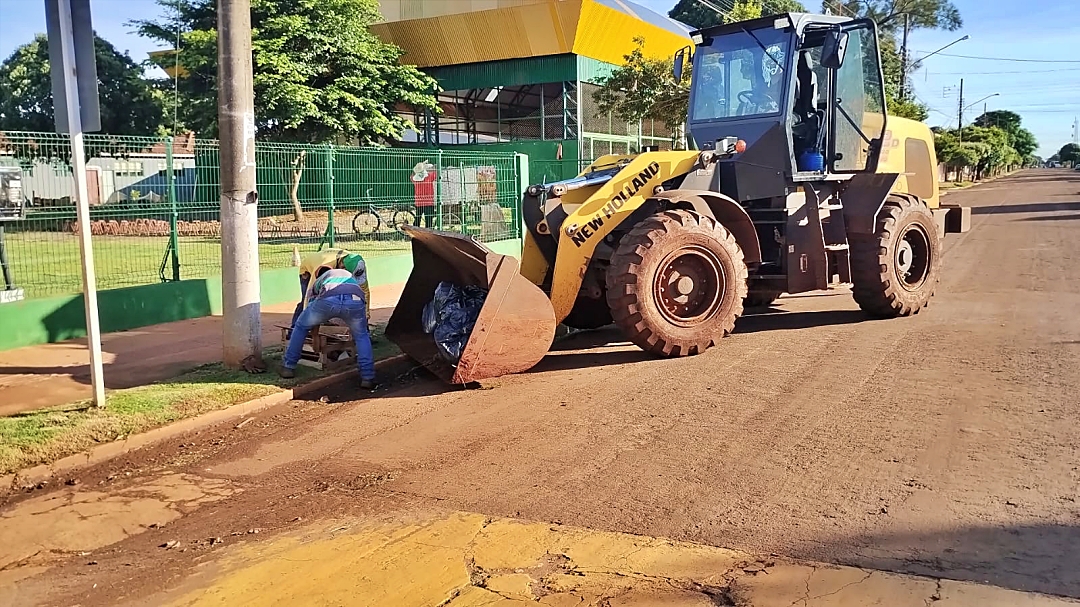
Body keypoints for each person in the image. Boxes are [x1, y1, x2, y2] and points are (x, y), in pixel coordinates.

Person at [280, 265, 377, 389]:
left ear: (318, 275)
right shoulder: (349, 276)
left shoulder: (320, 280)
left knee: (300, 326)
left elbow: (311, 303)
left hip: (328, 299)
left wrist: (314, 332)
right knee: (361, 336)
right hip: (355, 300)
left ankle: (288, 367)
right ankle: (367, 377)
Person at [293, 249, 371, 328]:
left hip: (331, 264)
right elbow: (310, 293)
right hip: (309, 270)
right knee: (309, 300)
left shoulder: (356, 262)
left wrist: (365, 315)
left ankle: (324, 320)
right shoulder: (324, 266)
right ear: (343, 267)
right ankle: (295, 327)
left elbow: (364, 290)